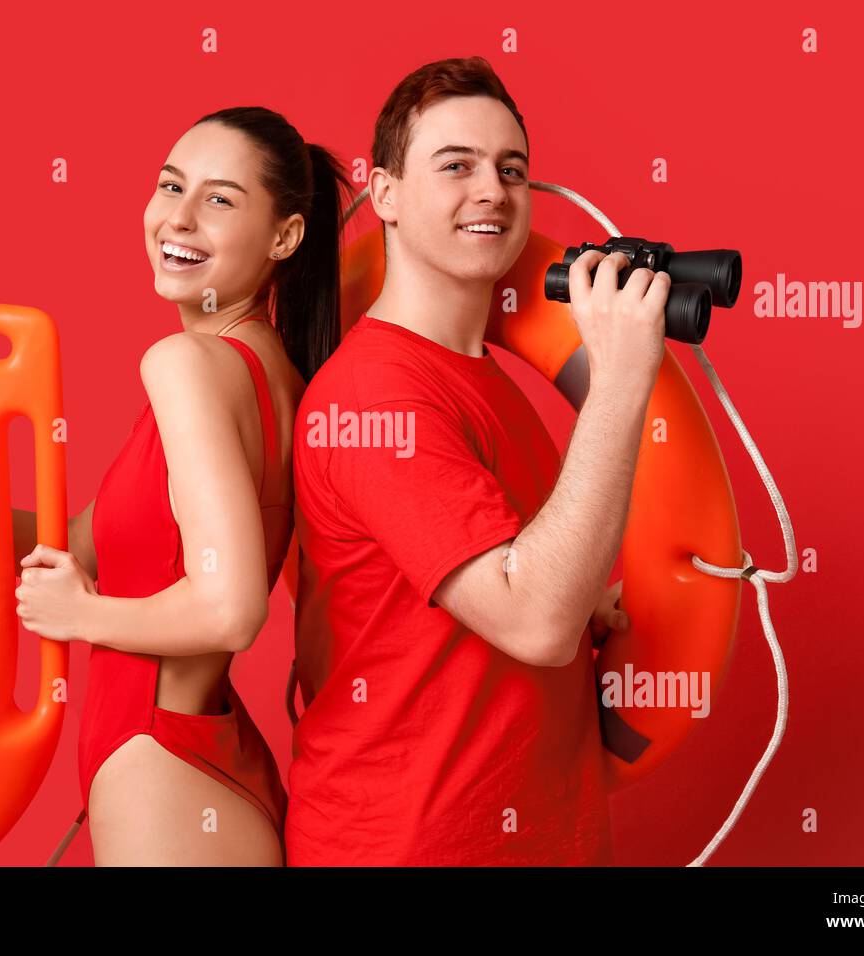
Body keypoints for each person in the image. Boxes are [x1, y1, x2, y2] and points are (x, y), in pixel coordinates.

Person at [0, 106, 350, 866]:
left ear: (285, 237)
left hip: (161, 771)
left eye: (220, 200)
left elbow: (230, 611)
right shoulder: (278, 378)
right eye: (170, 186)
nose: (179, 218)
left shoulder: (185, 366)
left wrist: (83, 616)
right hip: (203, 762)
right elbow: (79, 546)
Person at [287, 56, 666, 865]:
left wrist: (580, 593)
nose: (492, 189)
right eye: (455, 165)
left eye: (512, 169)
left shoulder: (489, 383)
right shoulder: (375, 396)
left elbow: (500, 583)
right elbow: (532, 620)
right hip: (411, 843)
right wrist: (621, 379)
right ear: (384, 194)